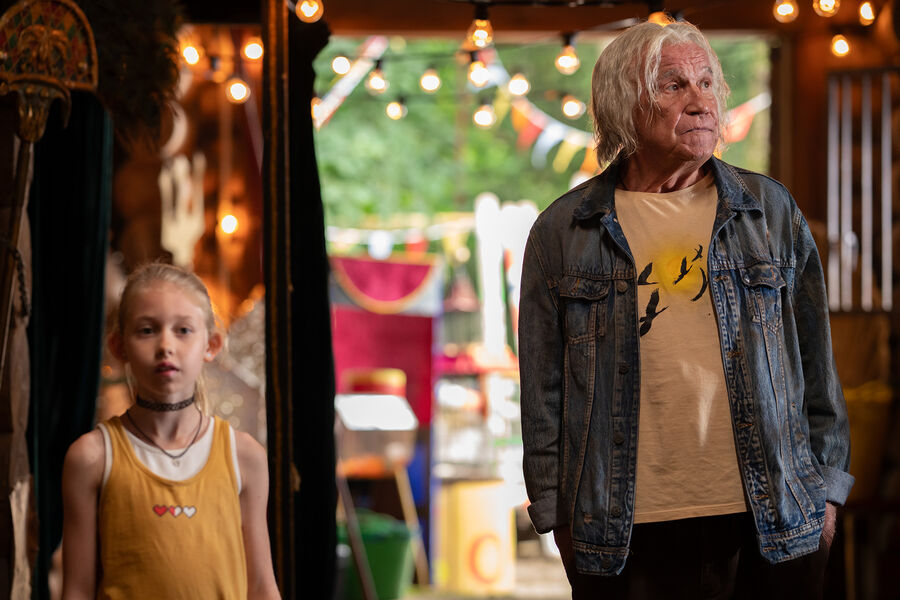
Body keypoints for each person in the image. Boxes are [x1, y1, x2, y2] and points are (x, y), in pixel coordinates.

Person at [518, 18, 853, 600]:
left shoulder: (769, 211)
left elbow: (818, 368)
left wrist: (826, 496)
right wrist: (557, 519)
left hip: (774, 518)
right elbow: (542, 394)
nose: (700, 101)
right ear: (624, 104)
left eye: (706, 83)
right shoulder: (564, 231)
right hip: (622, 529)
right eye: (674, 86)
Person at [61, 263, 281, 599]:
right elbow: (77, 590)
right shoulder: (92, 457)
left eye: (183, 330)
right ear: (119, 347)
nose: (166, 345)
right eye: (147, 330)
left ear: (211, 345)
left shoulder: (244, 456)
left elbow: (262, 587)